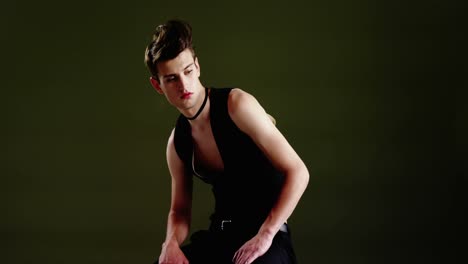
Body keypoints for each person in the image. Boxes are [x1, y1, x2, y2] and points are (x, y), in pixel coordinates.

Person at [144, 19, 309, 264]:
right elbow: (179, 211)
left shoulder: (236, 105)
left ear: (198, 67)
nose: (184, 84)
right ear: (157, 85)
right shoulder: (177, 143)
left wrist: (265, 235)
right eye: (171, 79)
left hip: (268, 236)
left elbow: (299, 172)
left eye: (188, 71)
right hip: (222, 237)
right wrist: (170, 243)